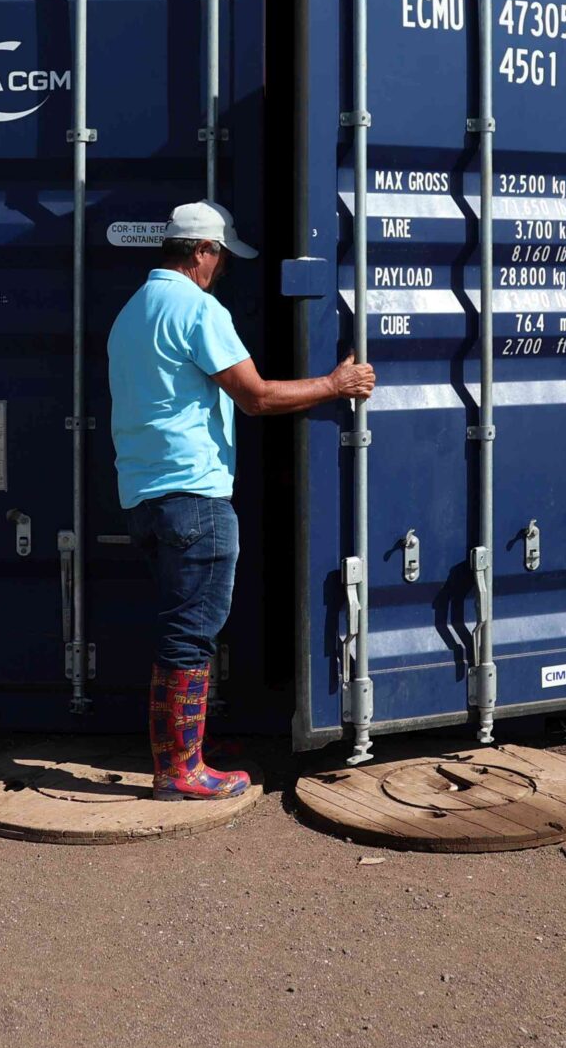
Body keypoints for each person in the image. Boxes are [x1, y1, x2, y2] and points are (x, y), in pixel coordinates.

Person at [106, 200, 374, 799]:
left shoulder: (132, 312)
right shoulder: (197, 309)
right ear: (201, 251)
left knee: (181, 628)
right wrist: (336, 385)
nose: (221, 267)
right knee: (189, 634)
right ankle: (178, 769)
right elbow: (254, 397)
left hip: (145, 496)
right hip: (194, 497)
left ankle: (183, 753)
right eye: (219, 256)